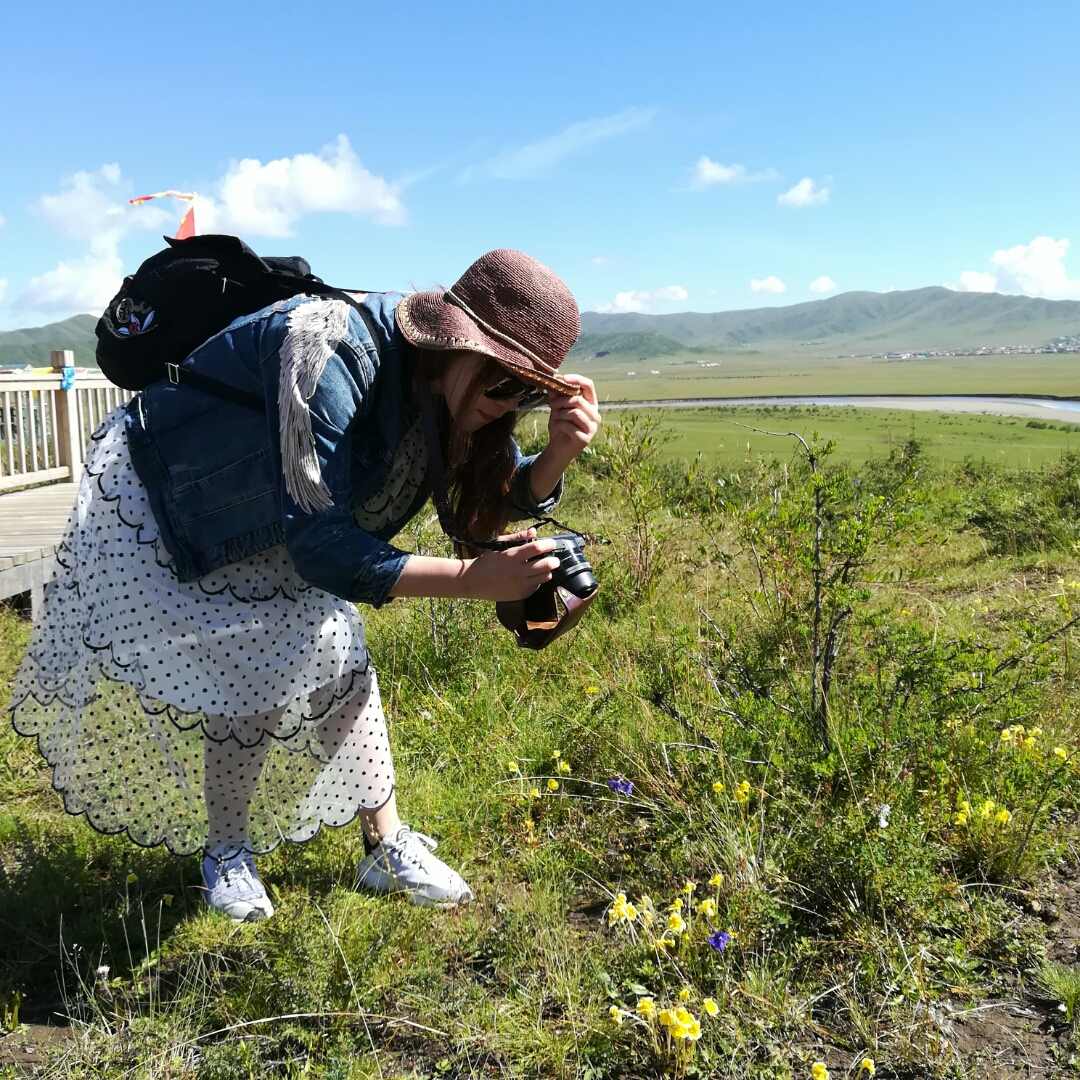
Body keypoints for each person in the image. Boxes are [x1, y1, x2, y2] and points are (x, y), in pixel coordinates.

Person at [8, 249, 601, 921]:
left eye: (527, 392)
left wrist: (555, 456)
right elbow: (323, 548)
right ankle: (227, 854)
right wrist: (470, 580)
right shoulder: (325, 351)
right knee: (254, 686)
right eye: (501, 386)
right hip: (187, 503)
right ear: (450, 344)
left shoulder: (443, 385)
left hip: (283, 514)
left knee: (343, 666)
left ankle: (384, 845)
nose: (507, 407)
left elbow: (475, 501)